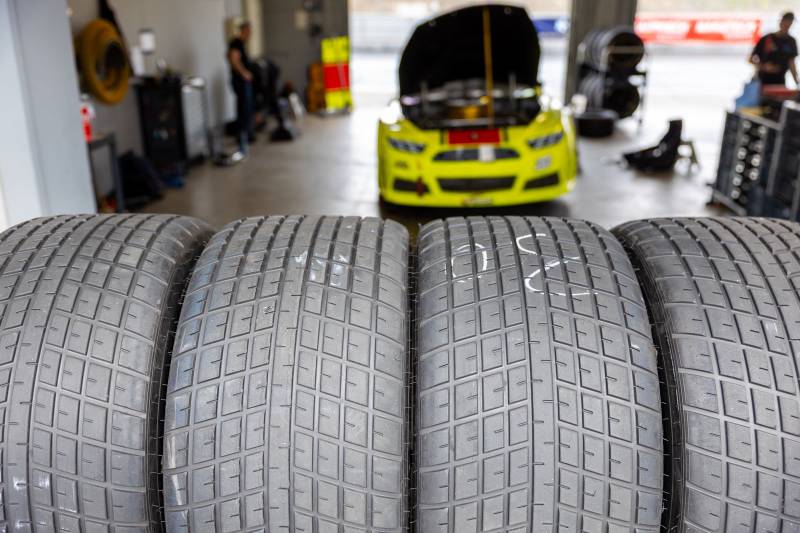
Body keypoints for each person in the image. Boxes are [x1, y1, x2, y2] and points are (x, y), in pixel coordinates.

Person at [750, 12, 798, 87]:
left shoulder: (791, 41)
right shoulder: (766, 39)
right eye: (785, 23)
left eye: (789, 25)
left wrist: (797, 82)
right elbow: (752, 58)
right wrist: (763, 67)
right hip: (763, 80)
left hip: (780, 81)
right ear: (780, 22)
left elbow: (791, 63)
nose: (786, 27)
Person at [228, 21, 255, 152]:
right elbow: (234, 60)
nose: (250, 34)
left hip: (244, 81)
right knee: (243, 108)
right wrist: (244, 73)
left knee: (246, 108)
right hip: (240, 81)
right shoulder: (236, 43)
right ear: (243, 30)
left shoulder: (242, 44)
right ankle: (242, 136)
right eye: (249, 31)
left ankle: (246, 134)